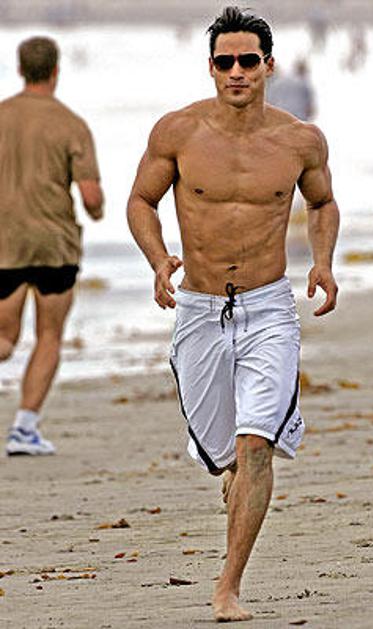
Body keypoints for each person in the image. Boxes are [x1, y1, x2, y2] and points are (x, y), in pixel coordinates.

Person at [127, 6, 339, 623]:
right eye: (226, 62)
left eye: (249, 60)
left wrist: (323, 262)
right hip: (199, 310)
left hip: (268, 305)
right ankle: (234, 474)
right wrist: (158, 260)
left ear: (268, 65)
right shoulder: (178, 132)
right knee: (225, 454)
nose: (237, 71)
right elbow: (141, 200)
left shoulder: (300, 140)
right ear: (212, 67)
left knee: (256, 445)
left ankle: (228, 586)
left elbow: (322, 202)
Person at [0, 36, 103, 456]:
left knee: (4, 339)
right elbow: (91, 196)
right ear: (57, 70)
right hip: (53, 244)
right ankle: (24, 429)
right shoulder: (71, 124)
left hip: (3, 243)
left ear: (20, 69)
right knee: (48, 335)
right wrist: (97, 211)